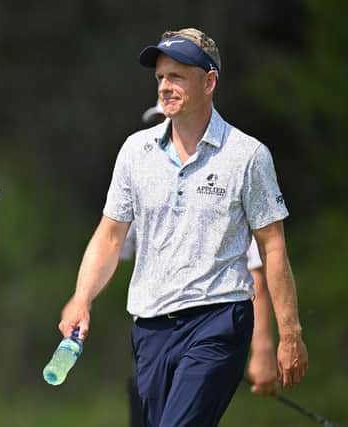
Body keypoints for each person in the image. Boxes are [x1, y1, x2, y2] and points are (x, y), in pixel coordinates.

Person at [58, 27, 307, 427]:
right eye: (160, 77)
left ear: (209, 82)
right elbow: (109, 236)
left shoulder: (248, 156)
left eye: (177, 77)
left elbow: (272, 247)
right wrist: (82, 297)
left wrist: (288, 333)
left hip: (218, 321)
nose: (165, 87)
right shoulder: (135, 152)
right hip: (151, 327)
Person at [123, 103, 280, 426]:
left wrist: (263, 348)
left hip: (210, 327)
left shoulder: (227, 180)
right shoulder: (146, 185)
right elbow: (109, 246)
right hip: (154, 337)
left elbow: (257, 278)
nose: (169, 130)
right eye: (161, 124)